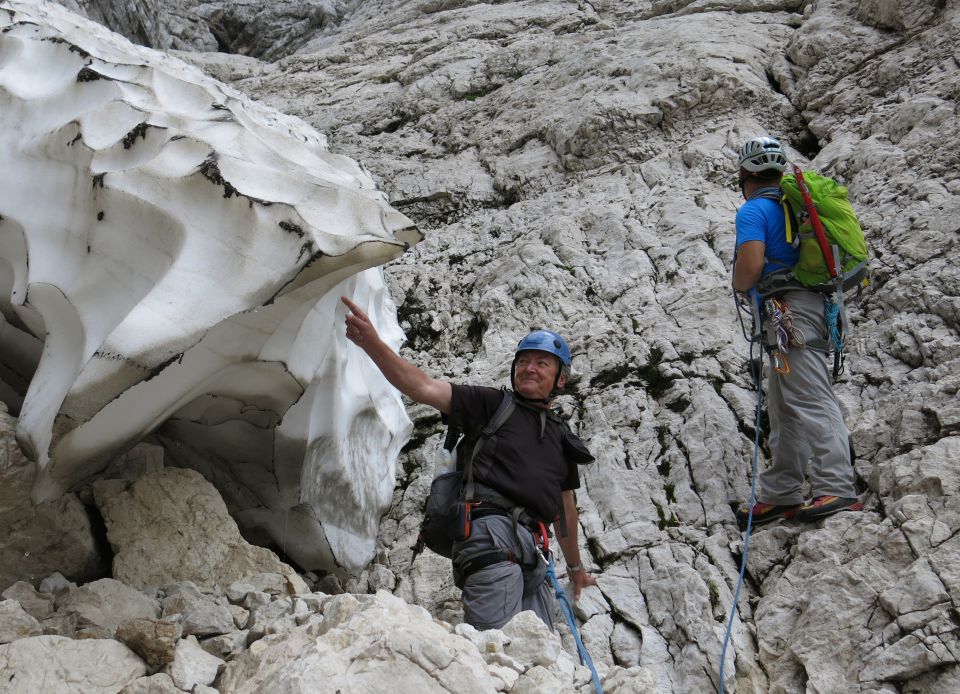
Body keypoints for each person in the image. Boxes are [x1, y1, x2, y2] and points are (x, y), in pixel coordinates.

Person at [341, 296, 597, 630]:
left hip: (534, 549)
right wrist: (372, 343)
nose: (529, 368)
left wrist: (576, 569)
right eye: (523, 362)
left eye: (542, 363)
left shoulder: (562, 438)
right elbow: (422, 387)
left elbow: (565, 512)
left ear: (561, 379)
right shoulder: (492, 404)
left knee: (540, 655)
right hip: (490, 532)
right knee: (497, 644)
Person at [732, 136, 862, 526]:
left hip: (789, 315)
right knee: (784, 404)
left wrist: (740, 284)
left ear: (744, 175)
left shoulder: (754, 210)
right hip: (804, 311)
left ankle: (837, 484)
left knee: (808, 396)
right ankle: (781, 492)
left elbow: (751, 266)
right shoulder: (789, 206)